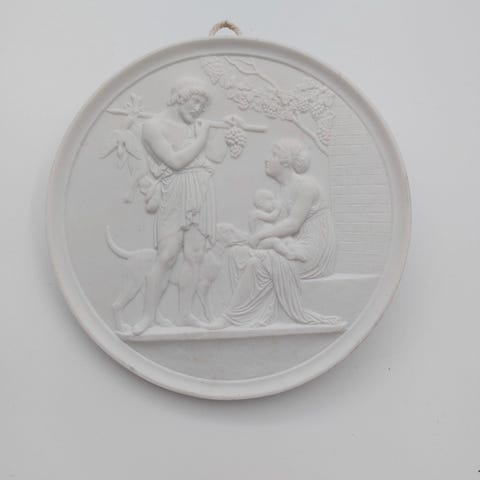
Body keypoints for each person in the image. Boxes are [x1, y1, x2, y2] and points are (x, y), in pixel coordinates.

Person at [132, 77, 222, 334]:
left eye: (203, 106)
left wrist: (219, 135)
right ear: (179, 97)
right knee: (167, 255)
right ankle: (148, 316)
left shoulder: (196, 126)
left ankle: (185, 315)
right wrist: (203, 136)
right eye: (195, 101)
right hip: (175, 189)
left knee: (195, 255)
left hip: (201, 189)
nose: (198, 109)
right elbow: (175, 161)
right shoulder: (153, 126)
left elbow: (216, 157)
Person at [220, 137, 338, 328]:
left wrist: (259, 236)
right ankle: (243, 314)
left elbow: (292, 225)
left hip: (312, 250)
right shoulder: (282, 191)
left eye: (273, 154)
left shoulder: (306, 186)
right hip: (291, 243)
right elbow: (275, 228)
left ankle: (231, 317)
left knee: (259, 262)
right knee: (236, 253)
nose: (267, 159)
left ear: (285, 161)